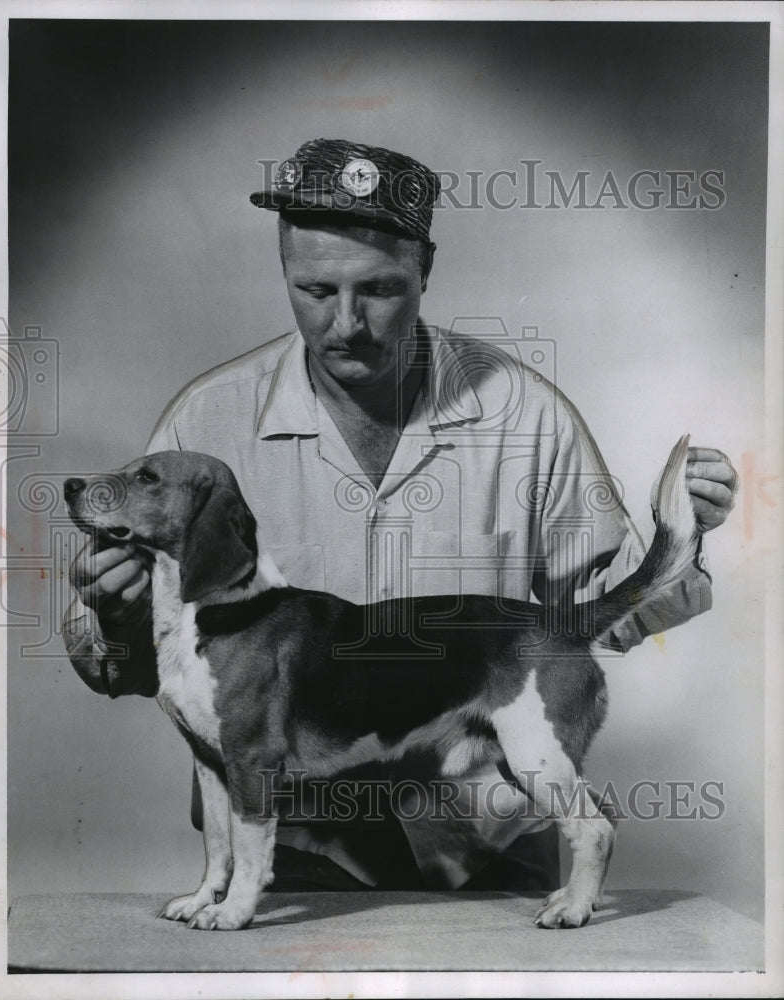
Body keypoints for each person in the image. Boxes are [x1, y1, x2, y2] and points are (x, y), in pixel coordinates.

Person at [63, 138, 738, 894]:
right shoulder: (204, 423)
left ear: (426, 268)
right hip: (296, 854)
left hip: (488, 843)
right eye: (315, 290)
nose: (345, 324)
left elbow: (589, 620)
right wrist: (111, 612)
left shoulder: (529, 415)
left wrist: (686, 534)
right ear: (283, 272)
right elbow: (133, 663)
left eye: (379, 289)